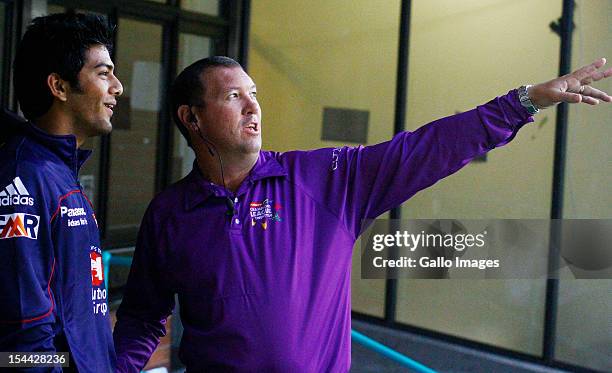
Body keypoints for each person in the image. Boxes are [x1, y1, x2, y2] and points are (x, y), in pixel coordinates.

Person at [113, 56, 611, 372]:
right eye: (233, 96)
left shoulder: (322, 179)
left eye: (255, 94)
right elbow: (142, 317)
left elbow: (426, 148)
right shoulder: (170, 214)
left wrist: (523, 102)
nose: (253, 107)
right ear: (191, 117)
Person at [0, 12, 123, 372]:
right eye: (103, 73)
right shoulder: (23, 178)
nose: (117, 87)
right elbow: (20, 343)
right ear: (60, 86)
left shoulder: (57, 172)